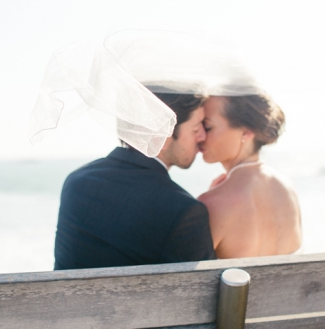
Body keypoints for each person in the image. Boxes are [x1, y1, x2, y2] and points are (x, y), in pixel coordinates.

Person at [54, 91, 217, 270]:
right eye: (196, 128)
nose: (202, 136)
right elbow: (204, 293)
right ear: (161, 136)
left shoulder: (76, 182)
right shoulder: (185, 212)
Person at [198, 94, 302, 259]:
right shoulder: (288, 188)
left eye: (207, 127)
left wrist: (213, 199)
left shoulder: (212, 203)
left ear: (246, 132)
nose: (200, 135)